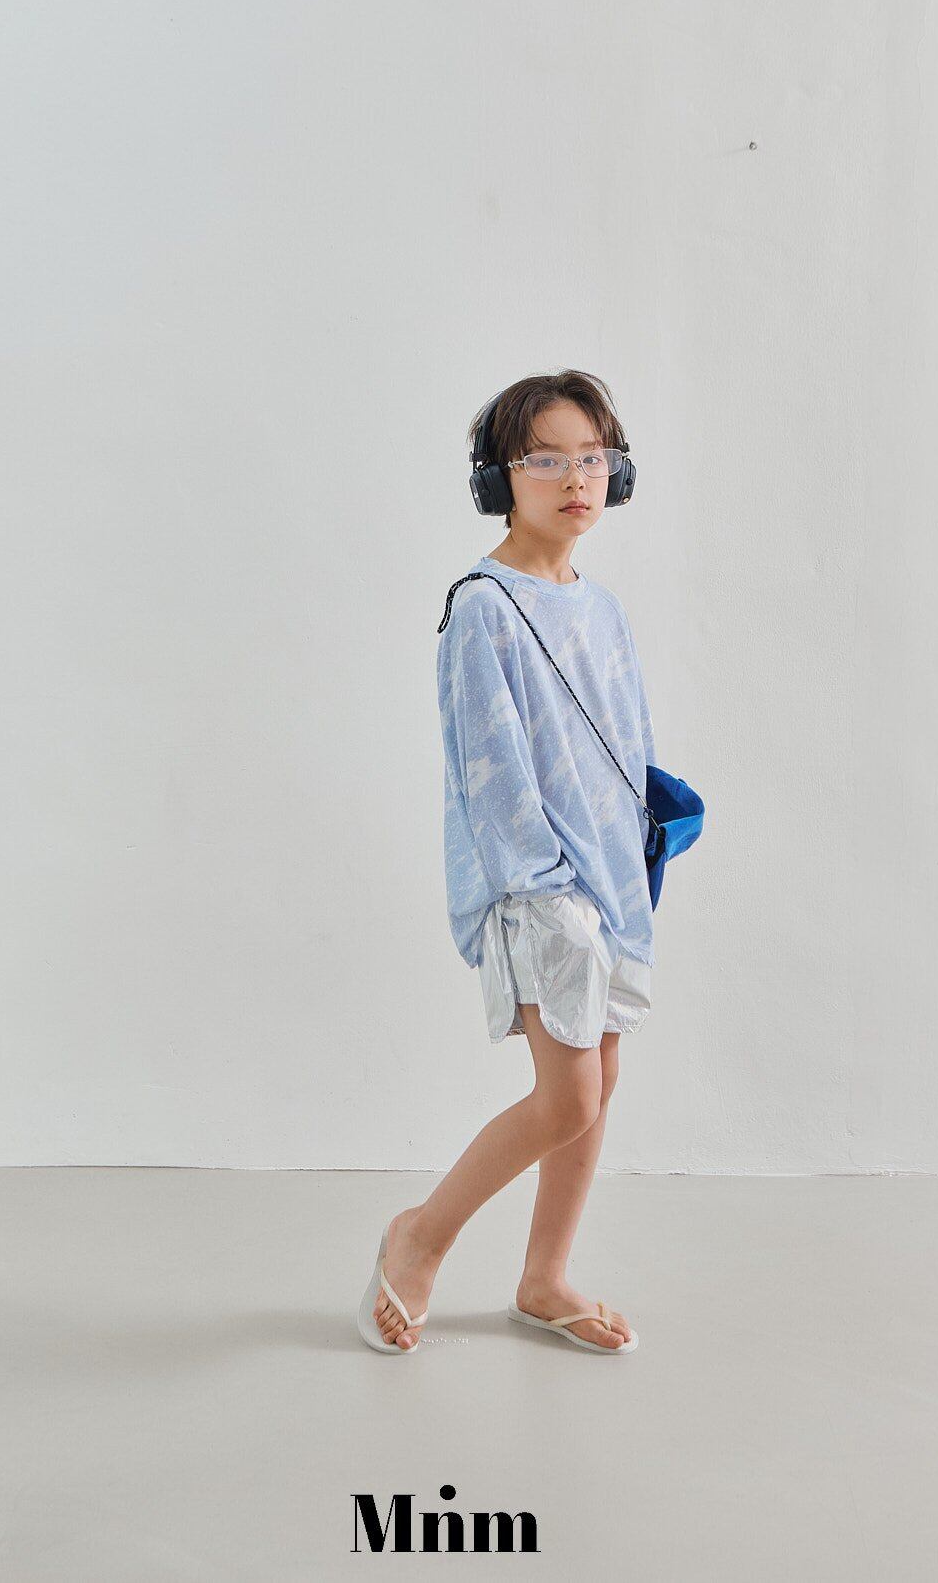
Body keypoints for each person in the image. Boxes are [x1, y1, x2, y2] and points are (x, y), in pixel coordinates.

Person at [361, 370, 657, 1354]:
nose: (577, 479)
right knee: (566, 1095)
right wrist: (545, 888)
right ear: (500, 479)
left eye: (594, 459)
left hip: (614, 882)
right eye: (547, 460)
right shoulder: (484, 607)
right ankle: (421, 1235)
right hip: (540, 889)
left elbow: (624, 744)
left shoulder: (602, 609)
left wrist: (640, 850)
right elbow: (489, 771)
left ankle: (544, 1278)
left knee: (598, 1078)